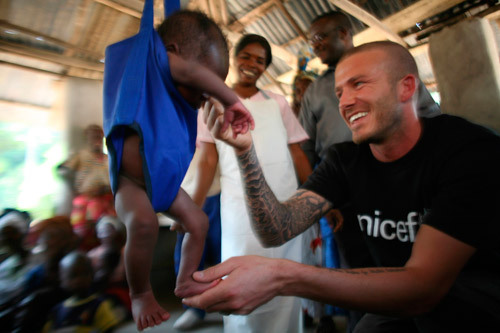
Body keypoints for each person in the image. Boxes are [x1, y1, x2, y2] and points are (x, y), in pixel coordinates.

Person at [183, 41, 500, 332]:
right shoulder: (346, 160)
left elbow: (424, 288)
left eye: (358, 84)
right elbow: (274, 230)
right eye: (339, 94)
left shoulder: (468, 151)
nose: (346, 102)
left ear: (406, 87)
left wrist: (282, 276)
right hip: (399, 306)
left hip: (476, 304)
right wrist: (244, 152)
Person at [103, 8, 254, 331]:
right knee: (142, 224)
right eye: (206, 82)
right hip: (131, 184)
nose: (207, 92)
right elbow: (188, 73)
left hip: (165, 187)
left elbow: (195, 80)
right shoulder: (153, 67)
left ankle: (185, 281)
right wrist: (230, 99)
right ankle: (141, 293)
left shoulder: (182, 101)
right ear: (169, 53)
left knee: (197, 222)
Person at [299, 11, 441, 331]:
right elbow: (306, 146)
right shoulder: (314, 92)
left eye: (322, 37)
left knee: (407, 260)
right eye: (312, 41)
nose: (316, 45)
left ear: (344, 34)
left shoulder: (387, 67)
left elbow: (430, 121)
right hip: (342, 190)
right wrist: (325, 197)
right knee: (355, 268)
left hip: (397, 182)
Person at [195, 33, 310, 333]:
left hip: (286, 202)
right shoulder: (212, 104)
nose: (251, 64)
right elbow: (208, 160)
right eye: (246, 56)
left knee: (285, 280)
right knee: (240, 276)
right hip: (239, 208)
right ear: (235, 58)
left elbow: (296, 152)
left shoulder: (279, 103)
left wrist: (315, 197)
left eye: (260, 60)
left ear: (265, 67)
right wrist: (193, 206)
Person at [171, 148, 222, 330]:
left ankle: (227, 302)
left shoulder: (204, 120)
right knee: (187, 258)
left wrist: (197, 203)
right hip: (184, 196)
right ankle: (193, 307)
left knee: (222, 252)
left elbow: (208, 159)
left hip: (215, 193)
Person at [57, 124, 115, 251]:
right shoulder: (80, 155)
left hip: (107, 202)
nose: (96, 139)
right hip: (87, 200)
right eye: (93, 136)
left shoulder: (108, 158)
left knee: (109, 233)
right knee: (84, 234)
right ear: (87, 138)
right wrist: (74, 188)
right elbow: (62, 171)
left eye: (99, 136)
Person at [43, 251, 122, 332]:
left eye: (85, 274)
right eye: (73, 275)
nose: (79, 279)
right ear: (61, 280)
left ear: (92, 274)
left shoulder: (98, 305)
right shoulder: (57, 311)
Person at [87, 215, 130, 316]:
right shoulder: (92, 254)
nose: (105, 235)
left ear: (118, 232)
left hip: (118, 291)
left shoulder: (126, 251)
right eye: (102, 231)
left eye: (109, 231)